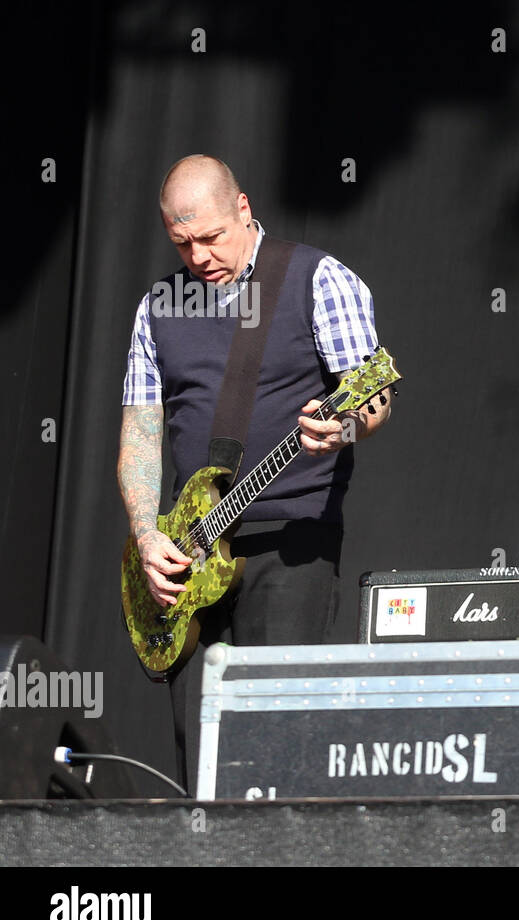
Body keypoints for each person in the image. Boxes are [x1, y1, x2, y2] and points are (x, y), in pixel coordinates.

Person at [117, 154, 392, 793]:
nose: (200, 256)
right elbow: (139, 430)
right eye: (182, 244)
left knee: (275, 748)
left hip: (288, 543)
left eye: (211, 237)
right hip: (190, 554)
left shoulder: (317, 279)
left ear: (243, 210)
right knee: (201, 755)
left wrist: (344, 428)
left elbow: (373, 395)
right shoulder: (159, 305)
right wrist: (144, 533)